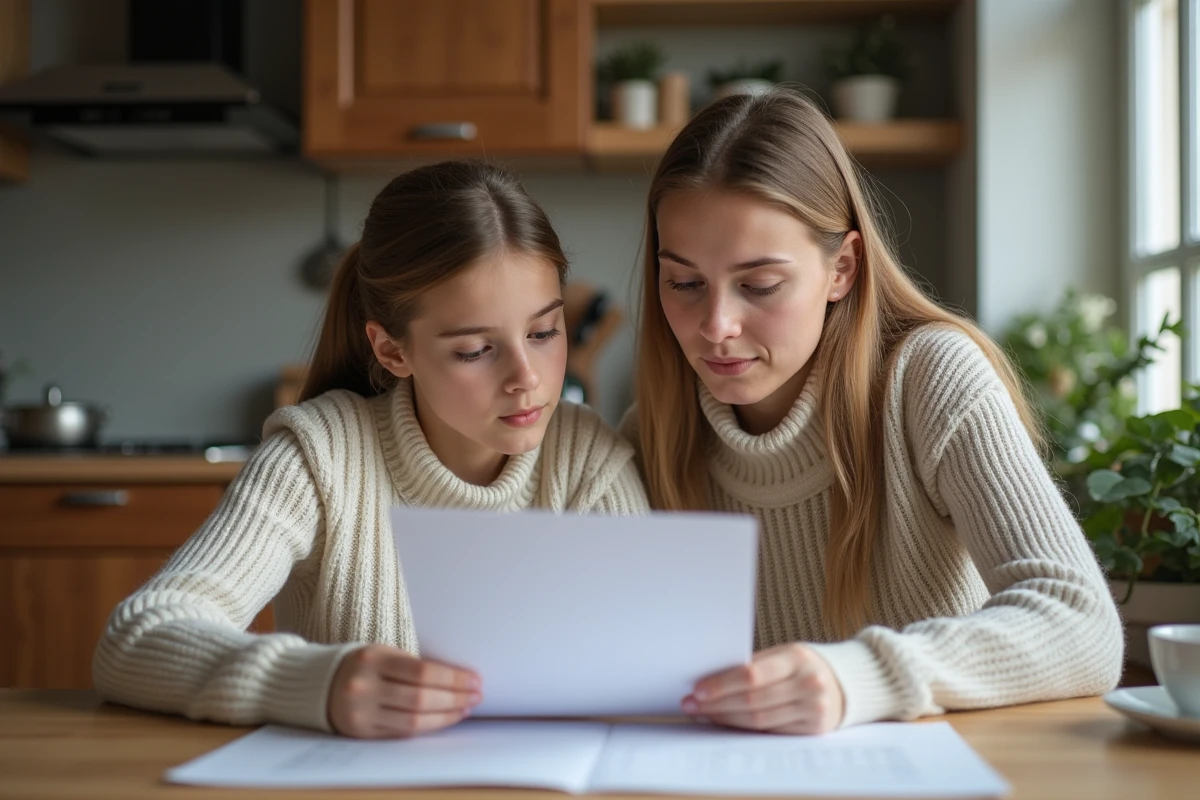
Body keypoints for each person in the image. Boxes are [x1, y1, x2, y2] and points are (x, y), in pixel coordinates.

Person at [624, 89, 1123, 734]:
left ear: (842, 268)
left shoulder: (930, 380)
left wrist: (856, 677)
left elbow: (1083, 625)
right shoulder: (656, 429)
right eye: (684, 283)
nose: (716, 326)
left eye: (759, 285)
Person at [94, 161, 649, 740]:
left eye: (543, 333)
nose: (527, 378)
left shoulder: (589, 459)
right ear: (391, 350)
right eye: (476, 349)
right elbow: (136, 639)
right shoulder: (319, 456)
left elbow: (657, 663)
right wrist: (318, 683)